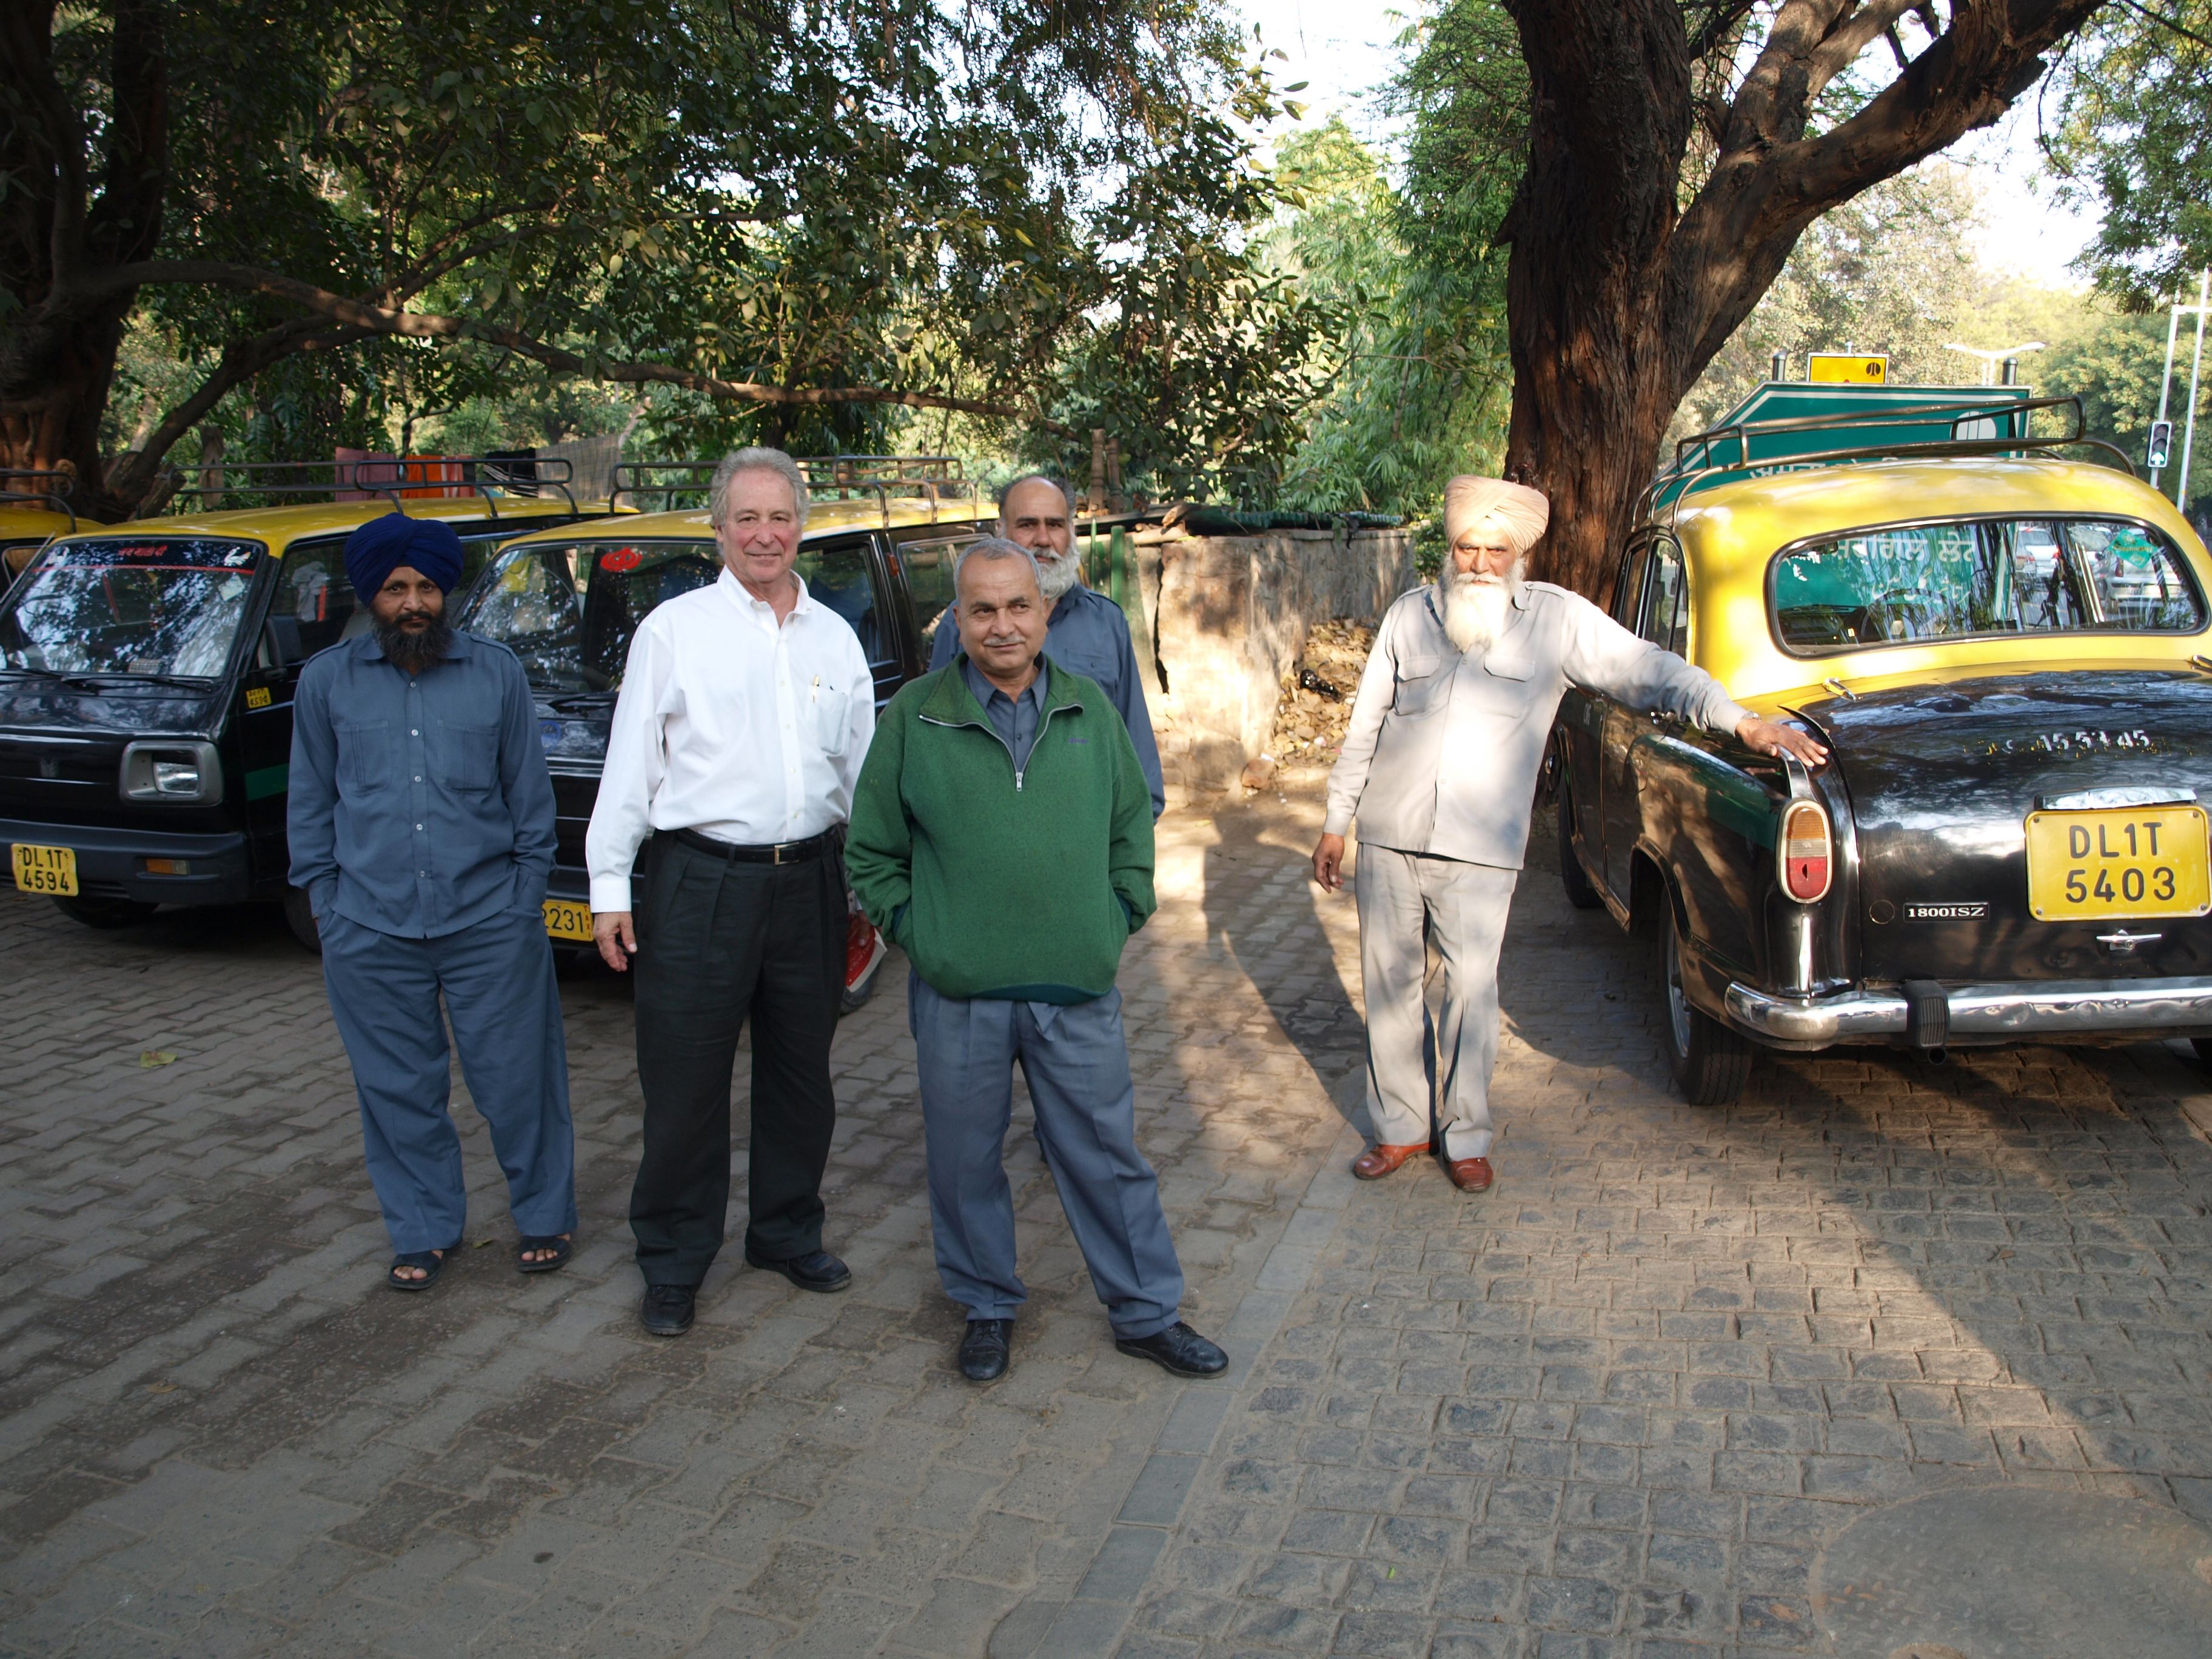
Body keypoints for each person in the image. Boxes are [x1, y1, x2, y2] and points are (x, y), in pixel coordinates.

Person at [1312, 476, 1828, 1193]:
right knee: (1391, 988)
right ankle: (1401, 1128)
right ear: (1450, 548)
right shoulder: (1410, 617)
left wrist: (1739, 720)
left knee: (1470, 994)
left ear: (1517, 555)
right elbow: (1365, 724)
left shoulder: (1555, 621)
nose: (1480, 564)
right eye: (1467, 549)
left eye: (1496, 550)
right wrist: (1336, 823)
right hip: (1390, 837)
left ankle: (1465, 1137)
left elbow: (1647, 670)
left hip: (1480, 851)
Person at [848, 537, 1225, 1385]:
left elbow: (1131, 830)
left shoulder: (1090, 708)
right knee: (963, 1162)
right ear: (957, 619)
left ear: (1046, 612)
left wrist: (1115, 919)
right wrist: (922, 935)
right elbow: (871, 850)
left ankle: (1147, 1313)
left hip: (1075, 989)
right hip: (959, 993)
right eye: (982, 609)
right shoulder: (916, 715)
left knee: (1106, 1157)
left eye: (1019, 606)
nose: (1003, 625)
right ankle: (986, 1305)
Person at [587, 447, 874, 1337]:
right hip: (699, 883)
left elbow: (861, 772)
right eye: (746, 518)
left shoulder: (836, 638)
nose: (764, 534)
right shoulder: (674, 631)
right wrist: (608, 885)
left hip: (811, 883)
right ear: (718, 530)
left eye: (780, 517)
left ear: (802, 527)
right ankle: (674, 1261)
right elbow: (630, 765)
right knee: (686, 1085)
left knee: (801, 1076)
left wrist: (871, 882)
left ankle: (785, 1234)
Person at [289, 512, 576, 1291]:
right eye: (394, 589)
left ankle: (545, 1215)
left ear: (444, 591)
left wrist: (523, 901)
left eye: (424, 587)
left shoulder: (496, 673)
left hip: (490, 922)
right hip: (368, 925)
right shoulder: (326, 682)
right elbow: (310, 802)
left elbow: (531, 802)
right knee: (397, 1091)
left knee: (518, 1082)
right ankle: (422, 1229)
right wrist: (327, 905)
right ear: (370, 596)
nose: (412, 603)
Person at [931, 473, 1164, 817]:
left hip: (1085, 829)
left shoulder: (1106, 623)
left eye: (1055, 525)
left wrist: (1141, 823)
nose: (1043, 539)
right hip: (986, 826)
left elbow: (1134, 739)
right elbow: (935, 738)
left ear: (1071, 532)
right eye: (1027, 525)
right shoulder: (964, 627)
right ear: (1001, 531)